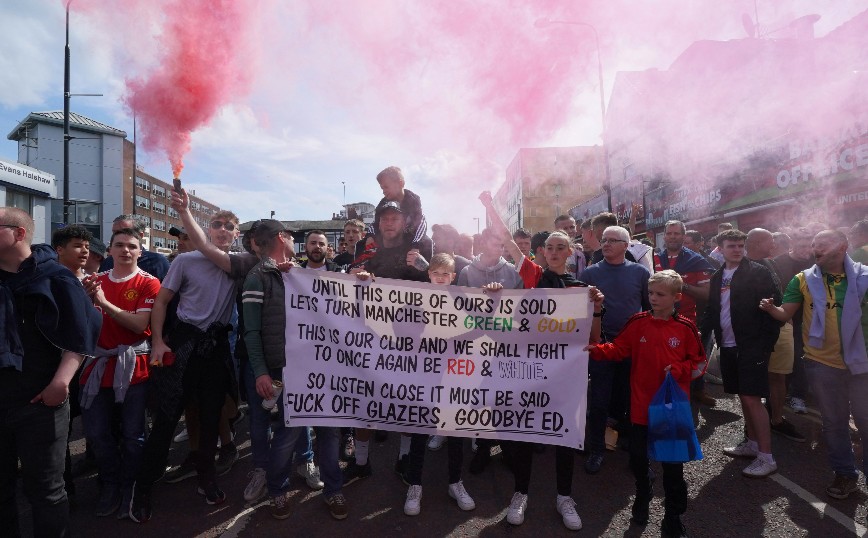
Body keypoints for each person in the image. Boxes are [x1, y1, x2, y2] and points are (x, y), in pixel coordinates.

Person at [129, 193, 257, 522]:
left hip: (215, 346)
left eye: (230, 226)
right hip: (185, 344)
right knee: (168, 418)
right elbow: (161, 302)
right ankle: (143, 486)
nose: (223, 229)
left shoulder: (239, 263)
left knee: (212, 415)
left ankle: (206, 477)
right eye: (217, 224)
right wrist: (158, 341)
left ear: (236, 234)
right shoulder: (184, 261)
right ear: (208, 229)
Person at [0, 207, 101, 537]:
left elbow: (83, 332)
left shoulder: (55, 279)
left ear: (18, 233)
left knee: (45, 490)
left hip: (40, 403)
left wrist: (61, 382)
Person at [587, 270, 705, 538]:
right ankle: (643, 494)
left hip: (670, 409)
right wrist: (599, 349)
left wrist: (678, 369)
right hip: (640, 407)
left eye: (660, 294)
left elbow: (698, 364)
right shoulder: (638, 321)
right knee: (638, 460)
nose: (653, 298)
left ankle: (673, 516)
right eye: (651, 293)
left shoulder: (686, 328)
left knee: (672, 468)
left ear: (677, 297)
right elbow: (618, 349)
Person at [242, 220, 347, 520]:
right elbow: (251, 332)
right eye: (291, 237)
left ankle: (334, 490)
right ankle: (277, 491)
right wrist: (261, 372)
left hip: (323, 368)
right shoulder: (257, 277)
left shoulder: (298, 273)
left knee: (329, 432)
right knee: (288, 434)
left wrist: (360, 282)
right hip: (287, 371)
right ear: (281, 238)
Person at [759, 229, 868, 499]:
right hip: (822, 364)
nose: (816, 248)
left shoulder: (865, 277)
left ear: (842, 246)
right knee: (834, 423)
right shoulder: (804, 279)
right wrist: (772, 309)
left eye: (823, 244)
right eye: (814, 244)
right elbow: (787, 313)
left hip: (863, 365)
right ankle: (845, 474)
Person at [342, 200, 433, 486]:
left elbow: (436, 281)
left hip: (410, 335)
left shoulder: (421, 244)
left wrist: (421, 265)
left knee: (406, 397)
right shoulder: (366, 246)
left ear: (404, 220)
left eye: (395, 217)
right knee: (365, 397)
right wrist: (360, 276)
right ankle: (361, 461)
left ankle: (404, 458)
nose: (389, 222)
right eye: (385, 218)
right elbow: (350, 279)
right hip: (372, 333)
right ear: (379, 222)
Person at [501, 232, 587, 531]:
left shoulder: (581, 288)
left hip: (565, 372)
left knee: (563, 433)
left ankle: (564, 497)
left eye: (559, 248)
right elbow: (511, 246)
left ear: (570, 252)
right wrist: (489, 207)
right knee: (525, 429)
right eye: (548, 247)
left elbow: (591, 337)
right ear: (543, 252)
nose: (553, 252)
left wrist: (598, 307)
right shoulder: (535, 275)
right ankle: (520, 492)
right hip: (530, 368)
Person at [79, 228, 160, 518]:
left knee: (133, 435)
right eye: (120, 245)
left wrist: (102, 303)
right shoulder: (93, 282)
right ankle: (110, 483)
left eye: (132, 246)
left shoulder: (149, 283)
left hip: (132, 368)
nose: (126, 250)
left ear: (141, 252)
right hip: (97, 367)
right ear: (110, 250)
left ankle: (131, 485)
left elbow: (139, 326)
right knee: (98, 434)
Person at [702, 229, 781, 478]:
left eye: (740, 245)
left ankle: (766, 457)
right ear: (720, 249)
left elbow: (774, 308)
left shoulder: (758, 272)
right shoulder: (717, 277)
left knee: (751, 398)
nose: (737, 249)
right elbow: (713, 310)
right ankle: (752, 443)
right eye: (731, 246)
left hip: (751, 346)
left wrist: (764, 343)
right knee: (742, 397)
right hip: (727, 345)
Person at [401, 253, 476, 517]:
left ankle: (456, 483)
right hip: (424, 375)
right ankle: (415, 485)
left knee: (455, 432)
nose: (441, 277)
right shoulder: (415, 300)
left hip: (455, 374)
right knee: (420, 431)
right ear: (428, 274)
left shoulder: (464, 301)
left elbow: (480, 327)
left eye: (446, 273)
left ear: (453, 276)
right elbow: (401, 330)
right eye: (436, 273)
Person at [581, 225, 651, 474]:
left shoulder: (641, 273)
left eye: (613, 240)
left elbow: (648, 308)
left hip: (631, 347)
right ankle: (596, 448)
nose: (606, 244)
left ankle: (630, 444)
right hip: (601, 345)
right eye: (604, 240)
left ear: (626, 245)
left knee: (630, 398)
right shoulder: (589, 273)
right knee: (599, 400)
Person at [745, 228, 805, 443]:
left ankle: (777, 420)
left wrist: (784, 315)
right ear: (756, 242)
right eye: (770, 241)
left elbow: (780, 293)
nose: (774, 245)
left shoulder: (770, 263)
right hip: (754, 333)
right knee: (752, 380)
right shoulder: (741, 266)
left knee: (778, 376)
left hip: (779, 326)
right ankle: (751, 430)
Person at [653, 220, 715, 407]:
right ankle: (660, 402)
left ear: (683, 236)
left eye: (677, 234)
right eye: (669, 233)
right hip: (657, 320)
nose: (672, 237)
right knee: (658, 363)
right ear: (664, 236)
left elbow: (707, 294)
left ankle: (687, 401)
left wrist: (682, 285)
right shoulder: (653, 258)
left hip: (686, 322)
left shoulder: (696, 260)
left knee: (685, 364)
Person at [770, 228, 814, 414]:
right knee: (792, 358)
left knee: (805, 357)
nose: (806, 249)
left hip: (813, 318)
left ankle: (799, 394)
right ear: (792, 245)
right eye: (801, 245)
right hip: (788, 318)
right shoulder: (778, 263)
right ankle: (792, 395)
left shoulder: (816, 262)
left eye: (808, 245)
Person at [100, 215, 170, 281]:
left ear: (140, 235)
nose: (118, 236)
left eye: (125, 232)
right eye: (115, 232)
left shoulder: (157, 262)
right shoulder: (108, 262)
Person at [372, 166, 427, 248]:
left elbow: (420, 223)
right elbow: (375, 223)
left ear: (401, 184)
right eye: (382, 188)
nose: (383, 192)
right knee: (364, 243)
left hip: (408, 239)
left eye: (386, 187)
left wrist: (415, 245)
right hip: (388, 241)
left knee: (427, 241)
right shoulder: (383, 203)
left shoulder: (413, 200)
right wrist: (370, 236)